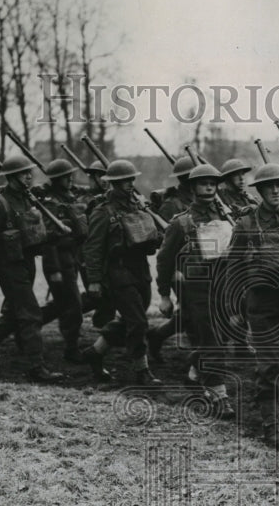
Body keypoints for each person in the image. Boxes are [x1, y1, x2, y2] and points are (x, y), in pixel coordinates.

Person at [225, 163, 279, 445]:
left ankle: (276, 408)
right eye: (269, 186)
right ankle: (271, 425)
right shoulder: (247, 223)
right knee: (268, 364)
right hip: (261, 305)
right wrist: (235, 311)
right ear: (259, 190)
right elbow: (232, 268)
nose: (275, 190)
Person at [0, 155, 63, 383]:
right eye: (23, 173)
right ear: (11, 177)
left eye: (29, 172)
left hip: (26, 263)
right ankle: (36, 367)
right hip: (9, 267)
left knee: (12, 315)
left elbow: (31, 231)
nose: (29, 176)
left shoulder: (26, 199)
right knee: (30, 314)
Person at [156, 164, 237, 416]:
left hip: (225, 287)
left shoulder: (228, 218)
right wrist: (164, 295)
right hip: (197, 291)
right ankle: (219, 396)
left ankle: (194, 374)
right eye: (204, 183)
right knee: (212, 342)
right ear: (192, 188)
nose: (209, 187)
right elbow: (164, 260)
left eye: (213, 183)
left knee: (221, 339)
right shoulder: (181, 223)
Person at [82, 160, 164, 385]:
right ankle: (142, 371)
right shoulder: (103, 211)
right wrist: (95, 280)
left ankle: (95, 353)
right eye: (123, 181)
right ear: (112, 183)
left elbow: (149, 235)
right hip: (118, 272)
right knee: (138, 322)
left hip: (140, 269)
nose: (128, 184)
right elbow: (93, 247)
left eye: (130, 179)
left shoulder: (138, 205)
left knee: (131, 319)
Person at [35, 159, 88, 363]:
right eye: (67, 176)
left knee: (61, 304)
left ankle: (25, 326)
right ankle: (71, 348)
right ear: (57, 179)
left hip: (70, 257)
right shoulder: (51, 203)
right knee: (73, 305)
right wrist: (53, 268)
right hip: (58, 259)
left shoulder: (68, 197)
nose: (71, 179)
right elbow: (48, 238)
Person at [145, 155, 196, 363]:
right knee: (193, 313)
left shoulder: (198, 201)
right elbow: (166, 245)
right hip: (179, 270)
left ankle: (157, 335)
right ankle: (199, 362)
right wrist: (167, 286)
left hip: (200, 266)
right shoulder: (171, 205)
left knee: (190, 313)